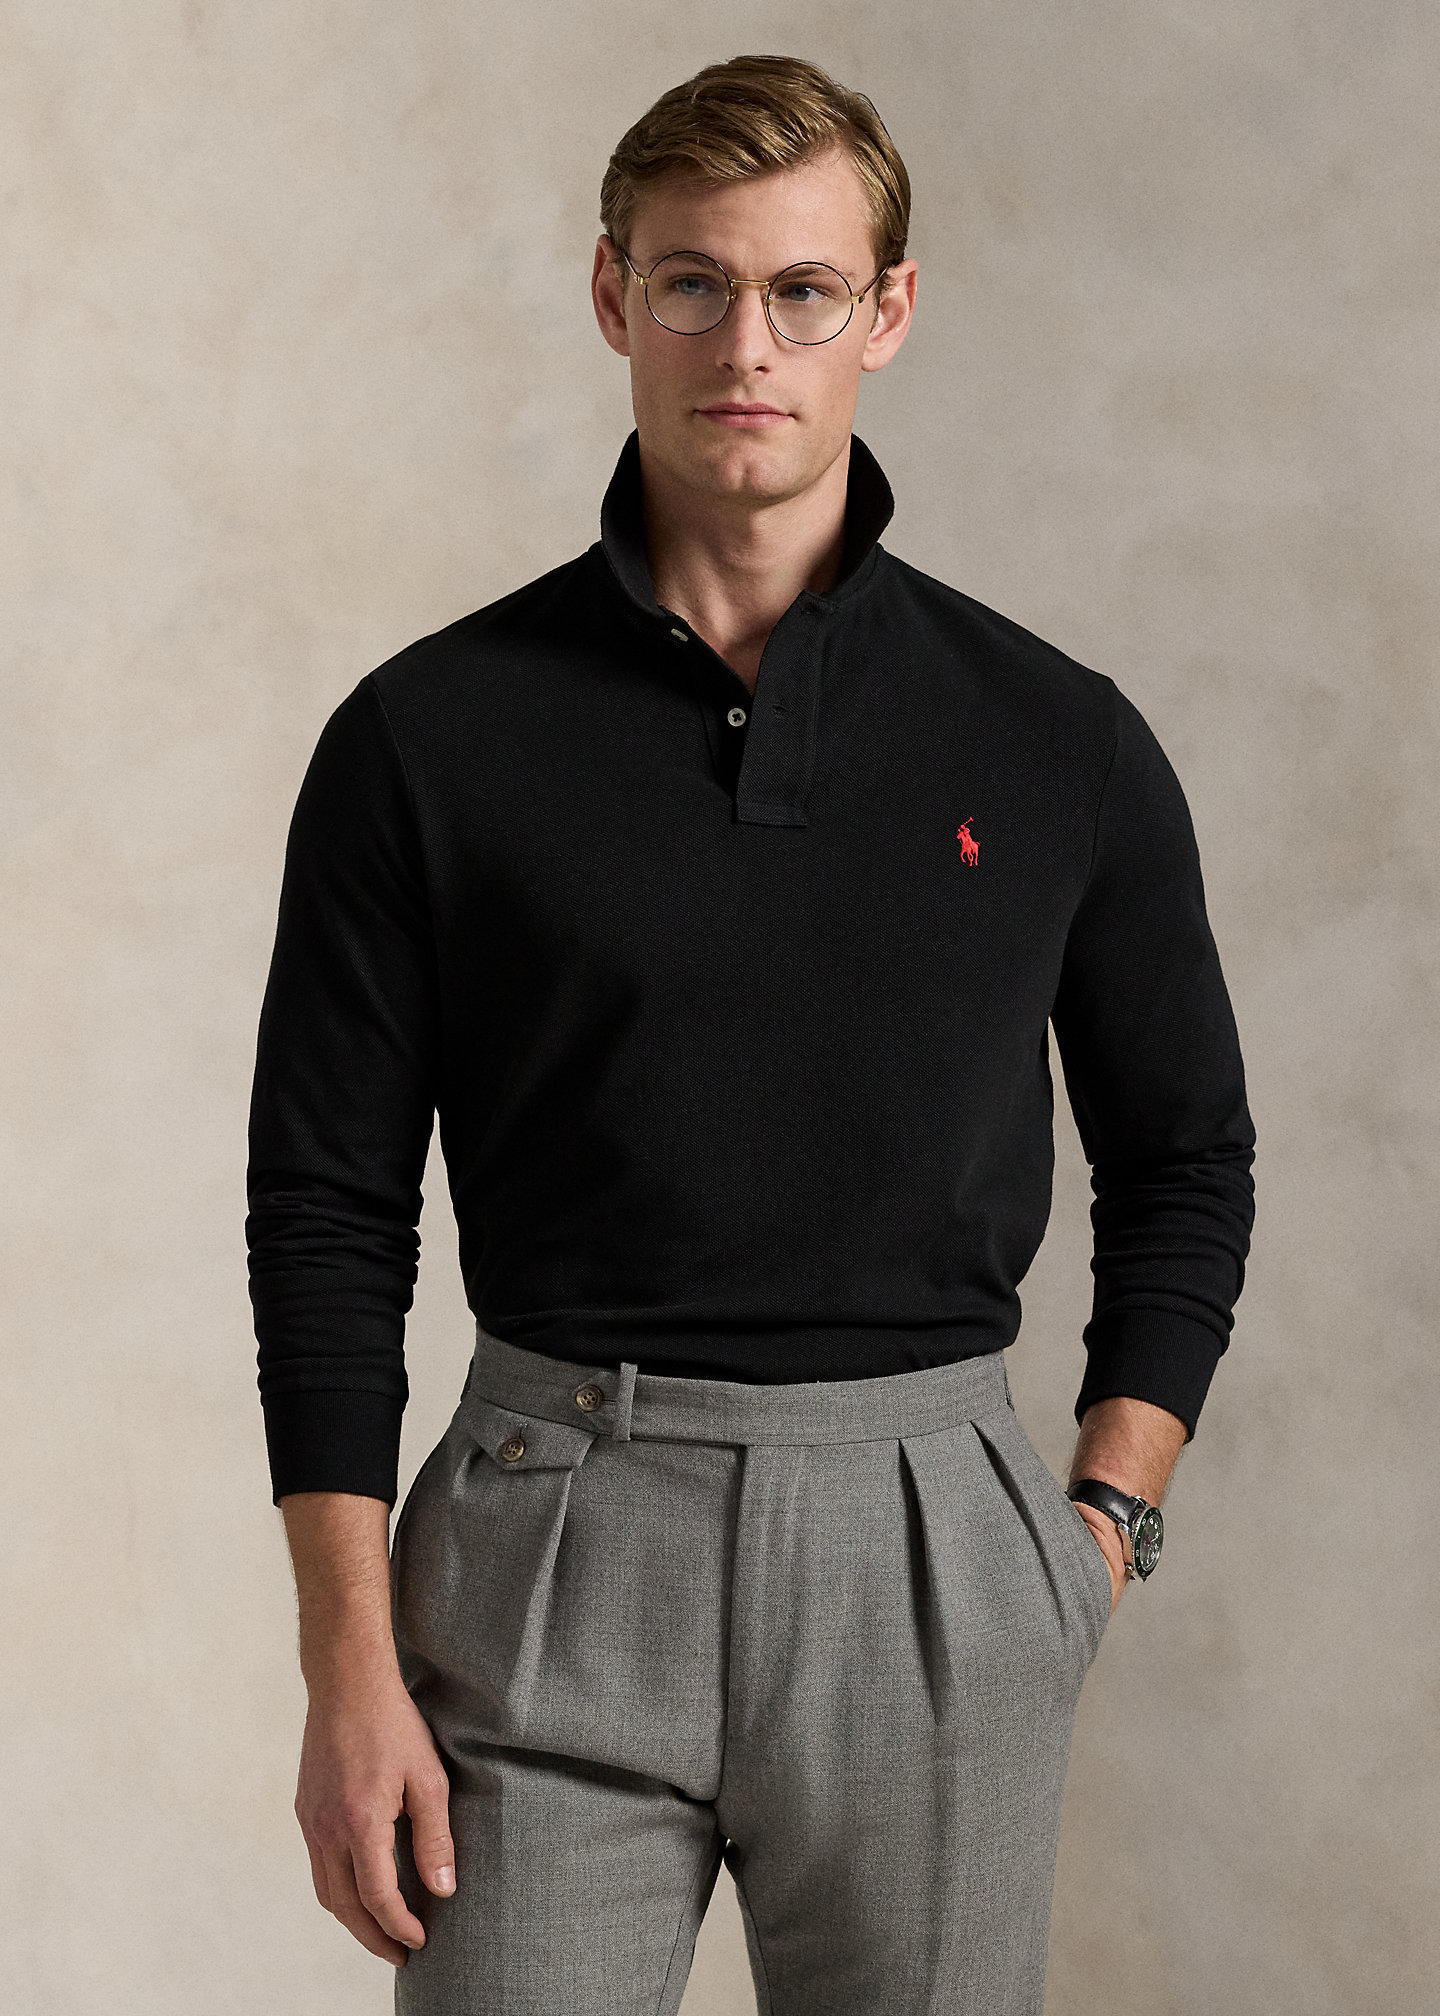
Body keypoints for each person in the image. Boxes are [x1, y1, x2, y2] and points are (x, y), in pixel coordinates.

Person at [246, 53, 1255, 2016]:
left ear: (889, 310)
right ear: (612, 294)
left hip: (933, 1552)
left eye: (805, 290)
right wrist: (343, 1667)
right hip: (545, 1538)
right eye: (694, 283)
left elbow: (1187, 1161)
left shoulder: (1058, 740)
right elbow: (326, 1218)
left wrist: (1100, 1527)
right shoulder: (426, 740)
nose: (748, 345)